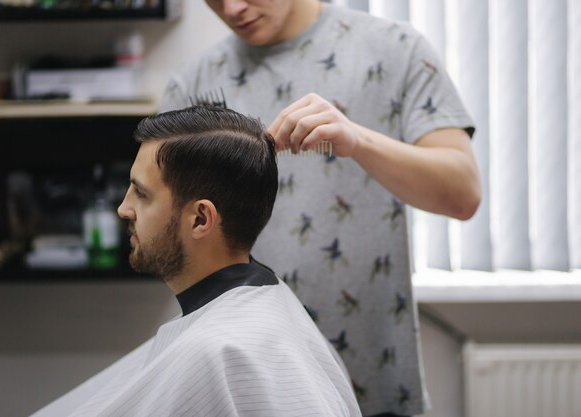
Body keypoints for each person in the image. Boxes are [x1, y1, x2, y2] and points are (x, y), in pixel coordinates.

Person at [160, 1, 481, 416]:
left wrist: (358, 141)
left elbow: (463, 193)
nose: (233, 8)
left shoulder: (396, 49)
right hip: (242, 386)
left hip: (372, 382)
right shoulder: (192, 84)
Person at [30, 105, 362, 417]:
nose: (123, 208)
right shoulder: (263, 300)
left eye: (141, 194)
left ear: (201, 219)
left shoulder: (222, 349)